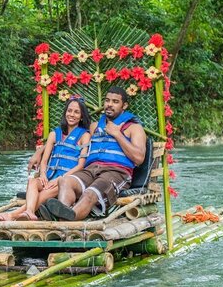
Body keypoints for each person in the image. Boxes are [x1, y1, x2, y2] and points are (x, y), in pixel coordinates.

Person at [41, 86, 147, 221]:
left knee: (90, 194)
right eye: (107, 100)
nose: (109, 104)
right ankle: (63, 216)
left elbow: (139, 158)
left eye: (115, 102)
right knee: (65, 180)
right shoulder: (94, 127)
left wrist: (117, 134)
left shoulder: (134, 128)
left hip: (116, 172)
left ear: (124, 105)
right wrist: (40, 152)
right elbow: (68, 138)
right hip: (91, 170)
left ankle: (62, 220)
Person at [0, 96, 91, 221]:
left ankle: (12, 215)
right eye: (69, 111)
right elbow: (44, 161)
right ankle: (30, 212)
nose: (72, 115)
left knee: (45, 193)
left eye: (76, 112)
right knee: (32, 182)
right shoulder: (54, 134)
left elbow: (80, 166)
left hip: (65, 181)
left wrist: (59, 179)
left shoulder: (84, 135)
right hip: (49, 177)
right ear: (65, 112)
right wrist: (43, 176)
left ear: (81, 116)